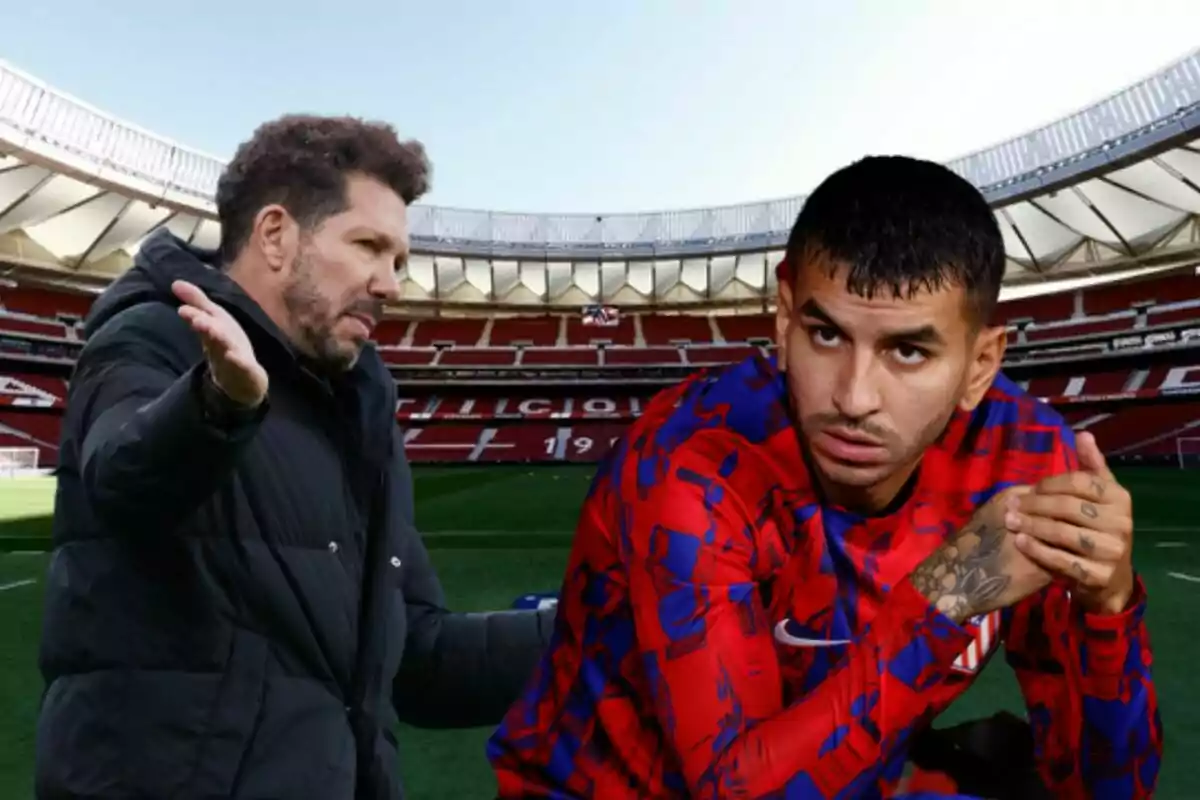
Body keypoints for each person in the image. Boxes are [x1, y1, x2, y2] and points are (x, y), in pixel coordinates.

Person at [488, 156, 1162, 799]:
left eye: (906, 350)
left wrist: (1108, 611)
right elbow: (736, 791)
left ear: (981, 364)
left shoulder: (1023, 456)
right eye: (827, 336)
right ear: (784, 321)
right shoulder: (693, 464)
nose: (854, 397)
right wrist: (946, 596)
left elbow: (1108, 789)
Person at [36, 115, 555, 799]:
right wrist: (219, 404)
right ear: (276, 235)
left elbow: (420, 662)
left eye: (398, 259)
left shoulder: (361, 416)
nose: (392, 283)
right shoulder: (155, 336)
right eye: (368, 246)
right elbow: (123, 479)